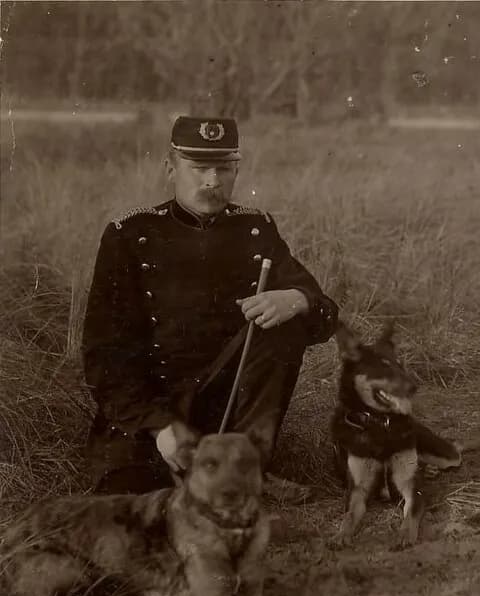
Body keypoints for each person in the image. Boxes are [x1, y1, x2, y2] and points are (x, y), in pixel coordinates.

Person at [82, 115, 339, 497]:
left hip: (227, 409)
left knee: (285, 323)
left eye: (224, 168)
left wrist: (296, 298)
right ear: (170, 168)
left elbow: (325, 313)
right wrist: (158, 425)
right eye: (199, 167)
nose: (212, 181)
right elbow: (103, 355)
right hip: (153, 411)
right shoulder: (130, 235)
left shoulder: (256, 229)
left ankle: (248, 466)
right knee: (134, 505)